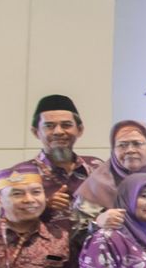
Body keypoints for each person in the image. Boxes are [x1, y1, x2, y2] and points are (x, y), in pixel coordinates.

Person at [73, 120, 146, 231]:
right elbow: (75, 233)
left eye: (137, 144)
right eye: (122, 145)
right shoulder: (97, 186)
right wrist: (96, 223)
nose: (130, 150)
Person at [20, 94, 104, 231]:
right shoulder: (21, 175)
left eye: (66, 125)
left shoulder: (97, 167)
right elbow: (7, 227)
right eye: (49, 126)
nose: (58, 131)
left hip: (95, 244)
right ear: (36, 132)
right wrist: (43, 207)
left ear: (80, 130)